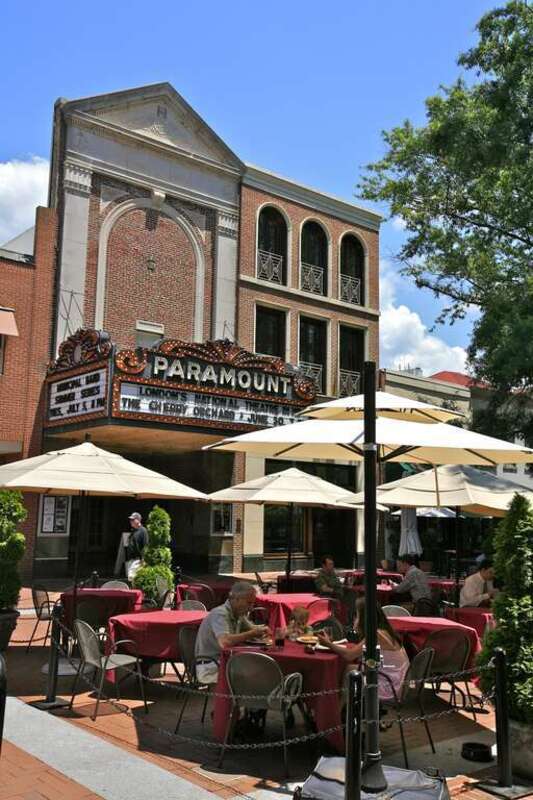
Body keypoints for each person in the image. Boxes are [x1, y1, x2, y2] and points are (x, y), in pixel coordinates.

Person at [317, 598, 409, 702]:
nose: (354, 619)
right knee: (350, 668)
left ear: (364, 618)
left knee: (349, 672)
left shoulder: (375, 634)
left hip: (390, 687)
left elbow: (350, 655)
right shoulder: (383, 631)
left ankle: (339, 710)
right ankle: (342, 708)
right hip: (395, 680)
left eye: (357, 615)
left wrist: (328, 644)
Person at [194, 582, 271, 684]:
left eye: (253, 603)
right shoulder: (220, 613)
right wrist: (252, 633)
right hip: (210, 667)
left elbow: (253, 629)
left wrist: (270, 629)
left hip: (226, 662)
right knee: (259, 673)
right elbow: (225, 642)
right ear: (236, 599)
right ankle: (250, 699)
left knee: (263, 666)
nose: (251, 608)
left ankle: (252, 699)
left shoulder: (238, 613)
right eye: (249, 603)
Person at [125, 512, 149, 580]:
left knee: (132, 577)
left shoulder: (143, 531)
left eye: (133, 519)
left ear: (138, 520)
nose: (131, 521)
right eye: (130, 520)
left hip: (137, 560)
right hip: (131, 559)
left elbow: (145, 545)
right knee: (131, 578)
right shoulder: (134, 531)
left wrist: (143, 559)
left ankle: (135, 590)